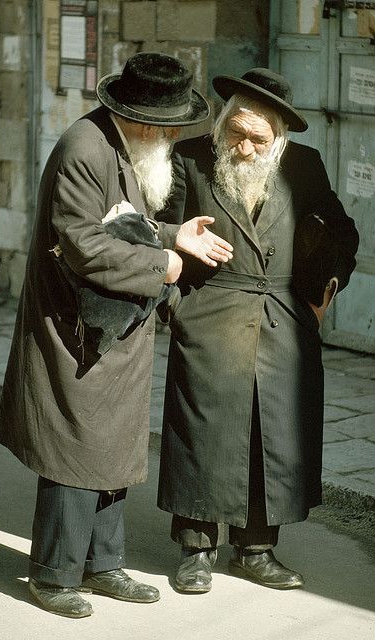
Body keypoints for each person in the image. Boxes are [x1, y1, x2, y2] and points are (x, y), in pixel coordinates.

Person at [0, 52, 233, 618]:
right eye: (171, 125)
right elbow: (82, 244)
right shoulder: (85, 147)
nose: (175, 135)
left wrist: (176, 233)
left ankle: (103, 565)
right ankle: (53, 574)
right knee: (74, 449)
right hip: (74, 328)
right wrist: (167, 265)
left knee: (114, 445)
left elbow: (123, 219)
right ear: (144, 120)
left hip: (115, 326)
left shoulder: (128, 144)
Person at [156, 67, 359, 593]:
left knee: (272, 435)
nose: (244, 149)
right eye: (236, 134)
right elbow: (157, 230)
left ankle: (256, 549)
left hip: (284, 320)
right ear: (222, 125)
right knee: (204, 432)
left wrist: (321, 294)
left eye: (257, 139)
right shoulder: (191, 159)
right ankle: (196, 549)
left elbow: (341, 232)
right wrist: (175, 291)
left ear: (279, 138)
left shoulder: (305, 166)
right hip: (210, 312)